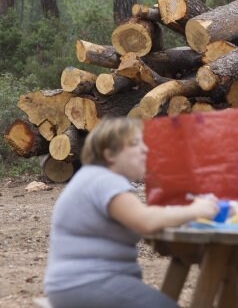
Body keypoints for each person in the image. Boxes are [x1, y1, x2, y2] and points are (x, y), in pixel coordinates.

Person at [44, 117, 219, 308]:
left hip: (77, 285)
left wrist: (181, 211)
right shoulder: (105, 180)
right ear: (110, 154)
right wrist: (195, 210)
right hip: (89, 284)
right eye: (136, 144)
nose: (145, 149)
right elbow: (145, 221)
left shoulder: (93, 177)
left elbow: (143, 215)